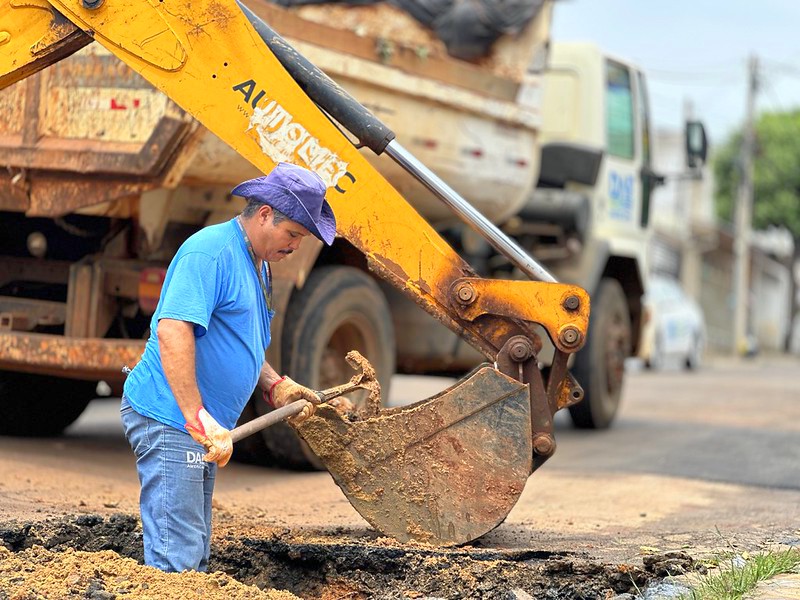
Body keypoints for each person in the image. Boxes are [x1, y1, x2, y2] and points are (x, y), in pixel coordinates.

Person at [120, 162, 336, 573]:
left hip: (196, 425)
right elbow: (173, 330)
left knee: (193, 549)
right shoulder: (211, 252)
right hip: (170, 420)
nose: (295, 246)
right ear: (265, 214)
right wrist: (196, 416)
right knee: (176, 557)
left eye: (301, 239)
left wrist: (275, 386)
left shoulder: (259, 263)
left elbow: (242, 343)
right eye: (293, 234)